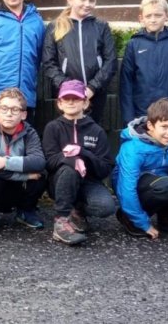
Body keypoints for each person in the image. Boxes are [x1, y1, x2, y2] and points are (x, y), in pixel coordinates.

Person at [42, 79, 116, 246]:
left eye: (75, 98)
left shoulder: (96, 131)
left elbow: (105, 168)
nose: (71, 102)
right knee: (70, 168)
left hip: (89, 182)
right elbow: (49, 161)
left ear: (85, 103)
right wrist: (71, 160)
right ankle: (61, 221)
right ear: (59, 103)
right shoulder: (52, 128)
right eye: (66, 99)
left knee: (106, 207)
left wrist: (83, 153)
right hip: (61, 181)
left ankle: (77, 211)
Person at [113, 97, 168, 239]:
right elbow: (126, 188)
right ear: (150, 126)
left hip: (162, 184)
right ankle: (128, 217)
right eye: (164, 126)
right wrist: (143, 223)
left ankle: (165, 215)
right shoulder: (133, 148)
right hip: (135, 188)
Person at [40, 0, 118, 126]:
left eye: (91, 0)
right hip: (67, 95)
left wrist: (92, 88)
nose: (87, 4)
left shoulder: (101, 26)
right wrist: (67, 87)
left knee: (92, 133)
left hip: (95, 95)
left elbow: (111, 60)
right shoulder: (55, 26)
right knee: (68, 133)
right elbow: (49, 62)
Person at [0, 87, 47, 234]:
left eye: (15, 109)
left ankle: (26, 210)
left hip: (16, 186)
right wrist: (25, 175)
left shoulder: (30, 132)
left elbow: (39, 161)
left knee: (41, 175)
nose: (9, 114)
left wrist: (5, 162)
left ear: (24, 114)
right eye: (4, 108)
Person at [119, 0, 168, 127]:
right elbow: (126, 83)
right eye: (148, 16)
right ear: (141, 18)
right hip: (142, 114)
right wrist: (128, 119)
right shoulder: (134, 44)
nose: (153, 20)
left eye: (158, 15)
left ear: (167, 16)